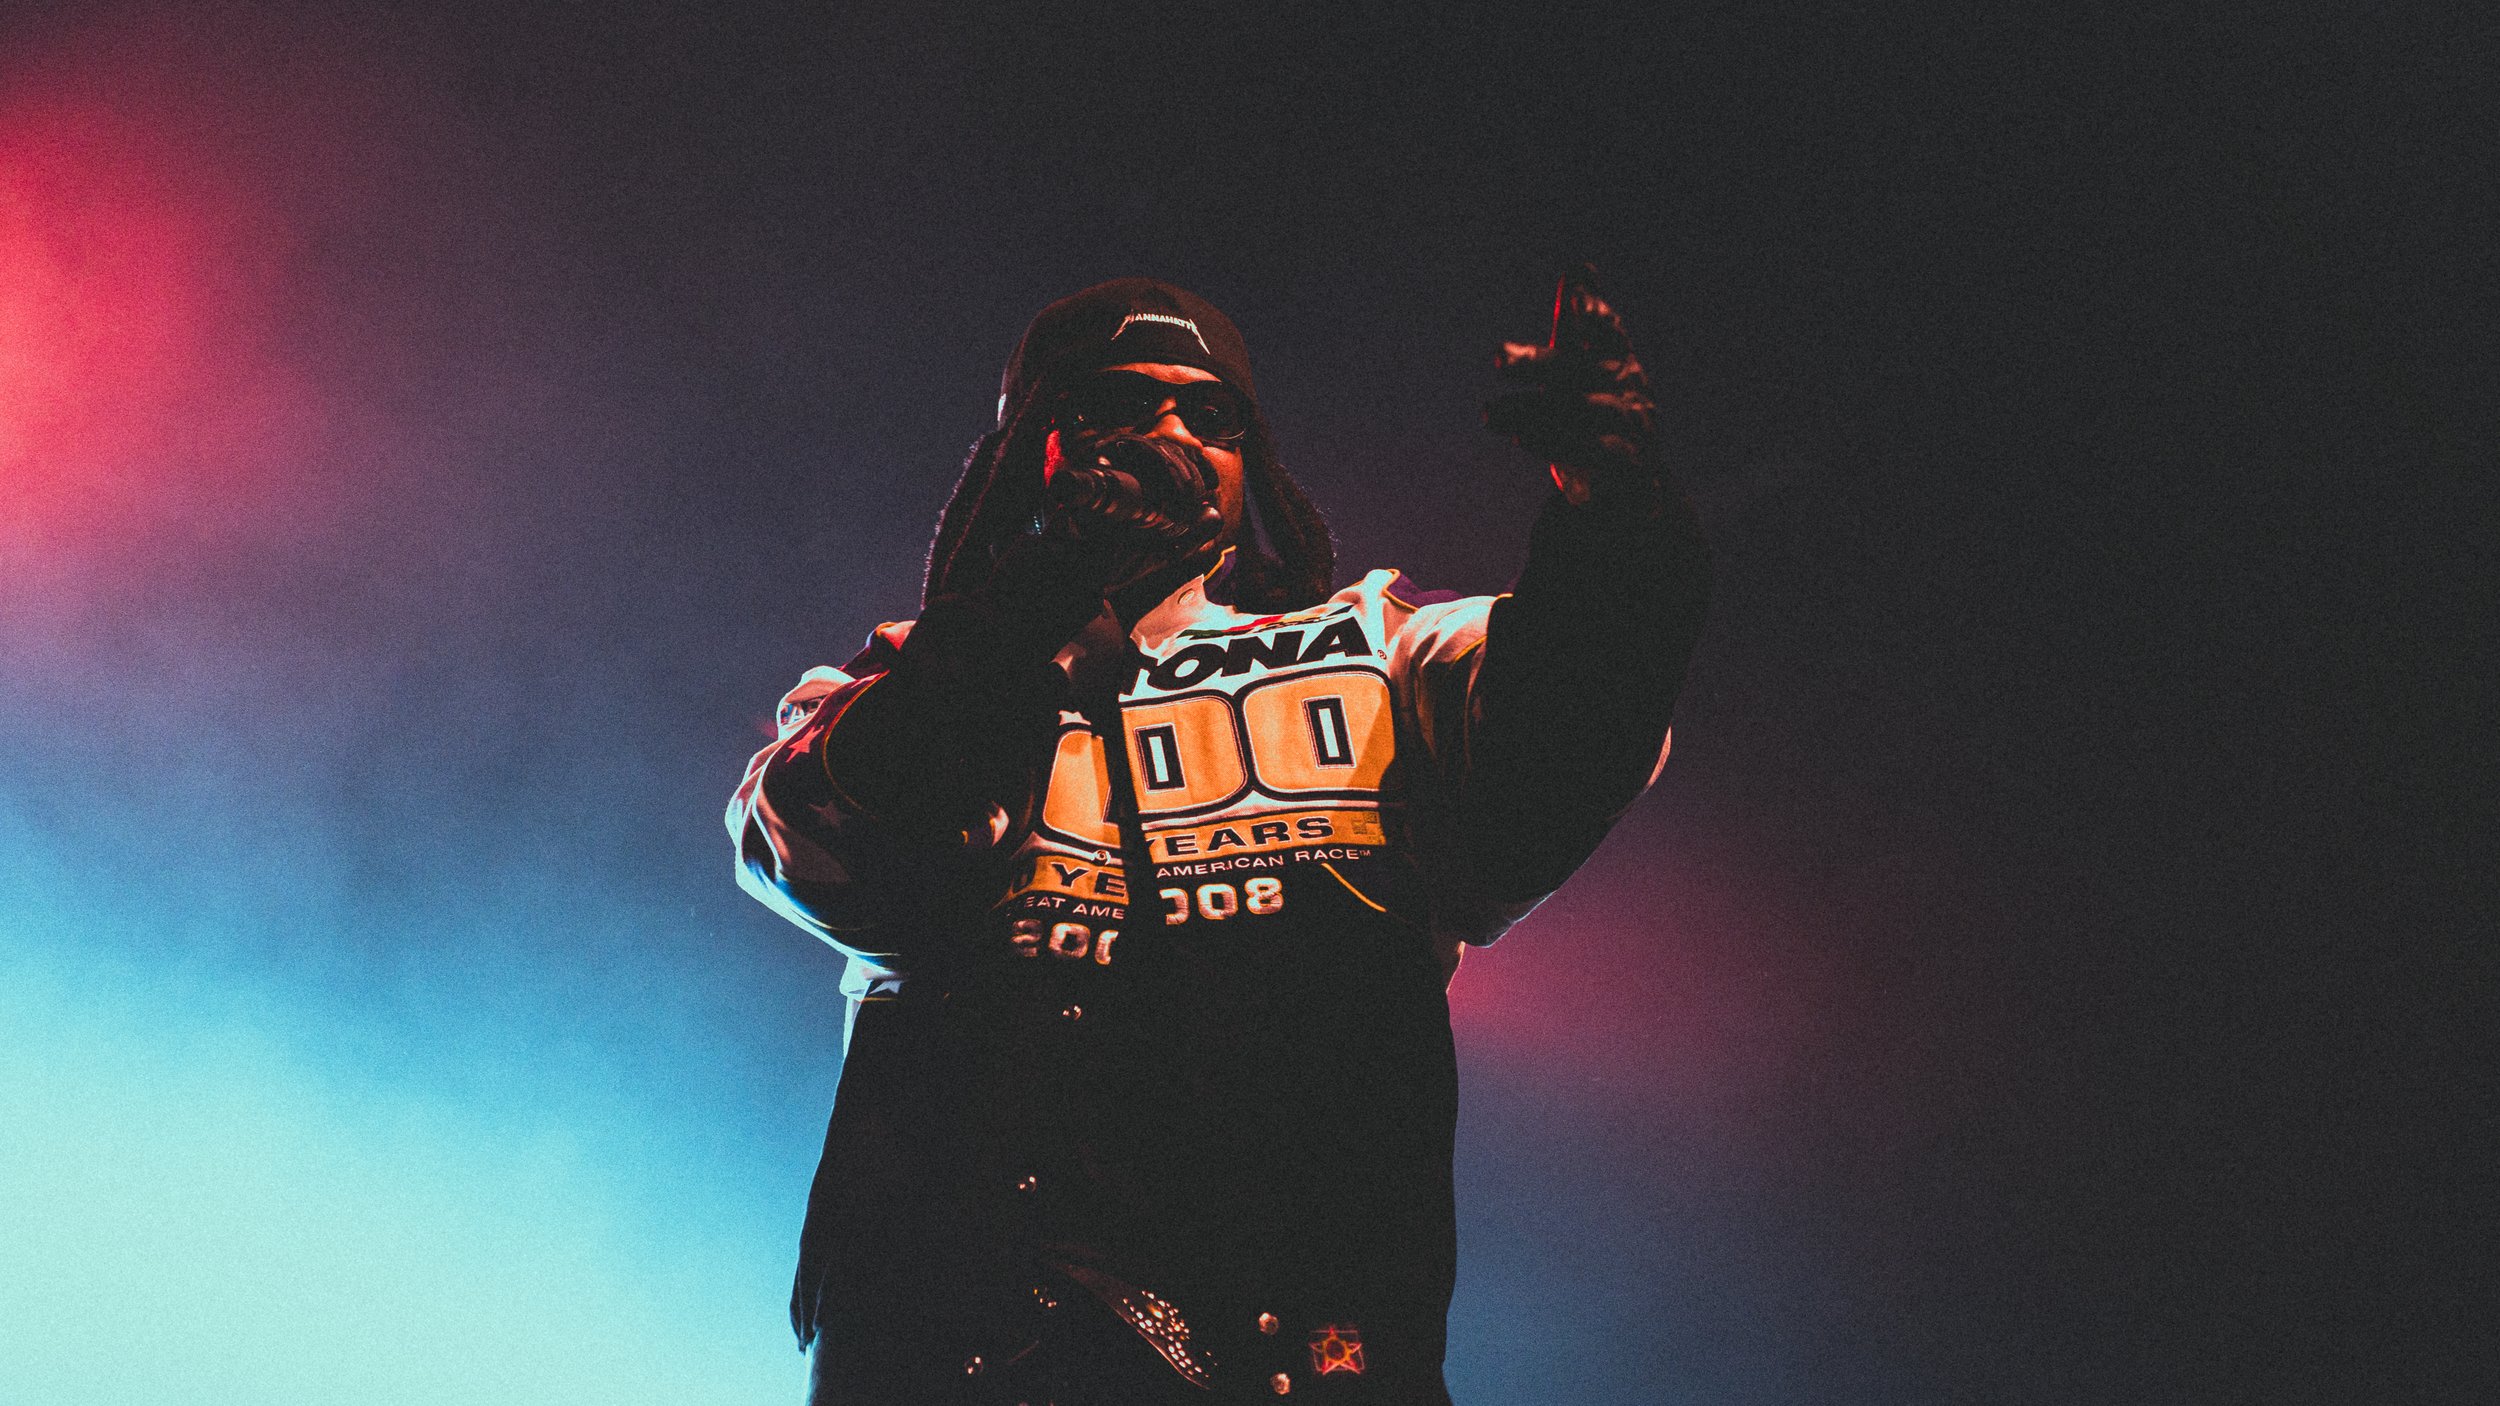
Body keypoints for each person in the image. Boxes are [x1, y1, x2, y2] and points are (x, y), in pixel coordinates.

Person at [729, 270, 1710, 1404]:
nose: (1170, 437)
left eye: (1211, 414)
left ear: (1253, 464)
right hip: (955, 1356)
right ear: (1033, 448)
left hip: (1300, 1360)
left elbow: (1574, 732)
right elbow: (817, 850)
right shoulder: (904, 675)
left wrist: (1616, 516)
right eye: (1117, 406)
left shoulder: (1374, 651)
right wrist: (1046, 589)